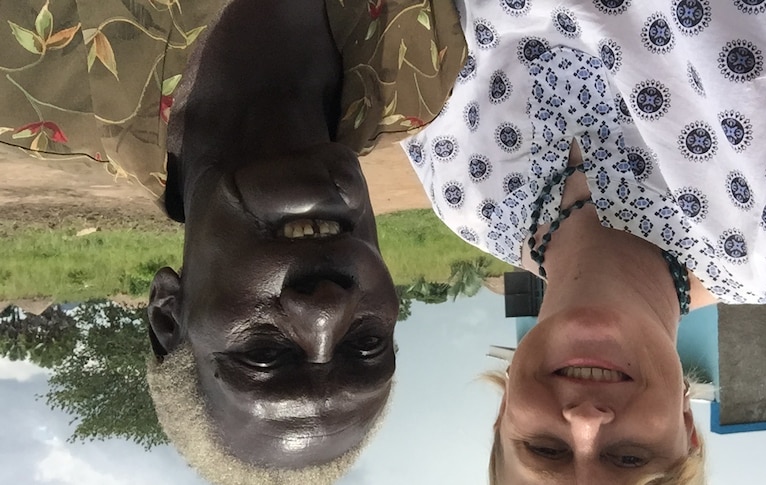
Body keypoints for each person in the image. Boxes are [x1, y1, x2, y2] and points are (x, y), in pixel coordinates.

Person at [1, 0, 466, 483]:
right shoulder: (422, 73)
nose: (327, 309)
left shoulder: (27, 77)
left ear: (168, 314)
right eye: (368, 343)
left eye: (263, 354)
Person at [402, 0, 766, 483]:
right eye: (628, 458)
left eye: (544, 449)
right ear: (687, 429)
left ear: (502, 416)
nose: (584, 422)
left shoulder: (464, 197)